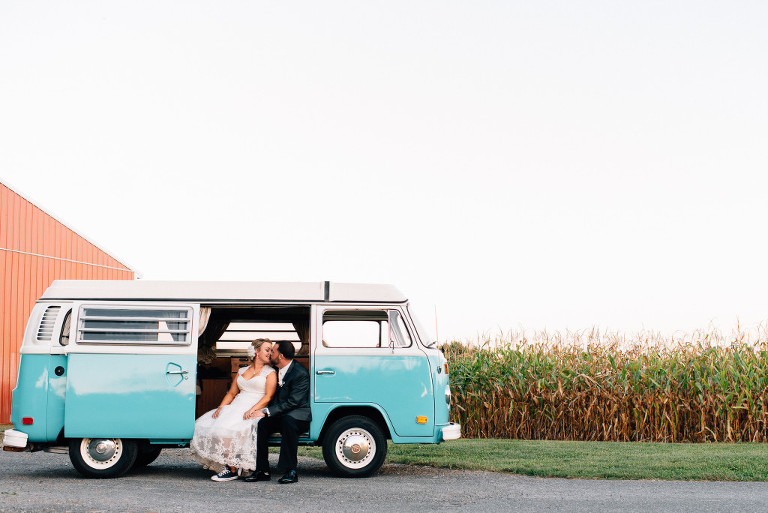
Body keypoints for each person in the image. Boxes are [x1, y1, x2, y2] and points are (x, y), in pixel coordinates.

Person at [191, 338, 277, 481]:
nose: (270, 353)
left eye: (271, 350)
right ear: (256, 351)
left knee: (232, 429)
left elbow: (268, 397)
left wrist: (252, 409)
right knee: (210, 425)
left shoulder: (270, 373)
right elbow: (231, 393)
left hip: (254, 407)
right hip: (236, 405)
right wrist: (221, 408)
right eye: (267, 350)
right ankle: (231, 466)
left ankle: (231, 468)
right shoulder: (242, 370)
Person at [245, 340, 311, 484]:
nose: (270, 354)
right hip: (281, 414)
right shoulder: (274, 370)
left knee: (288, 422)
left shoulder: (300, 373)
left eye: (273, 352)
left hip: (298, 415)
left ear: (280, 356)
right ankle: (262, 470)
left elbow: (293, 402)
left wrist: (267, 411)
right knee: (262, 424)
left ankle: (291, 471)